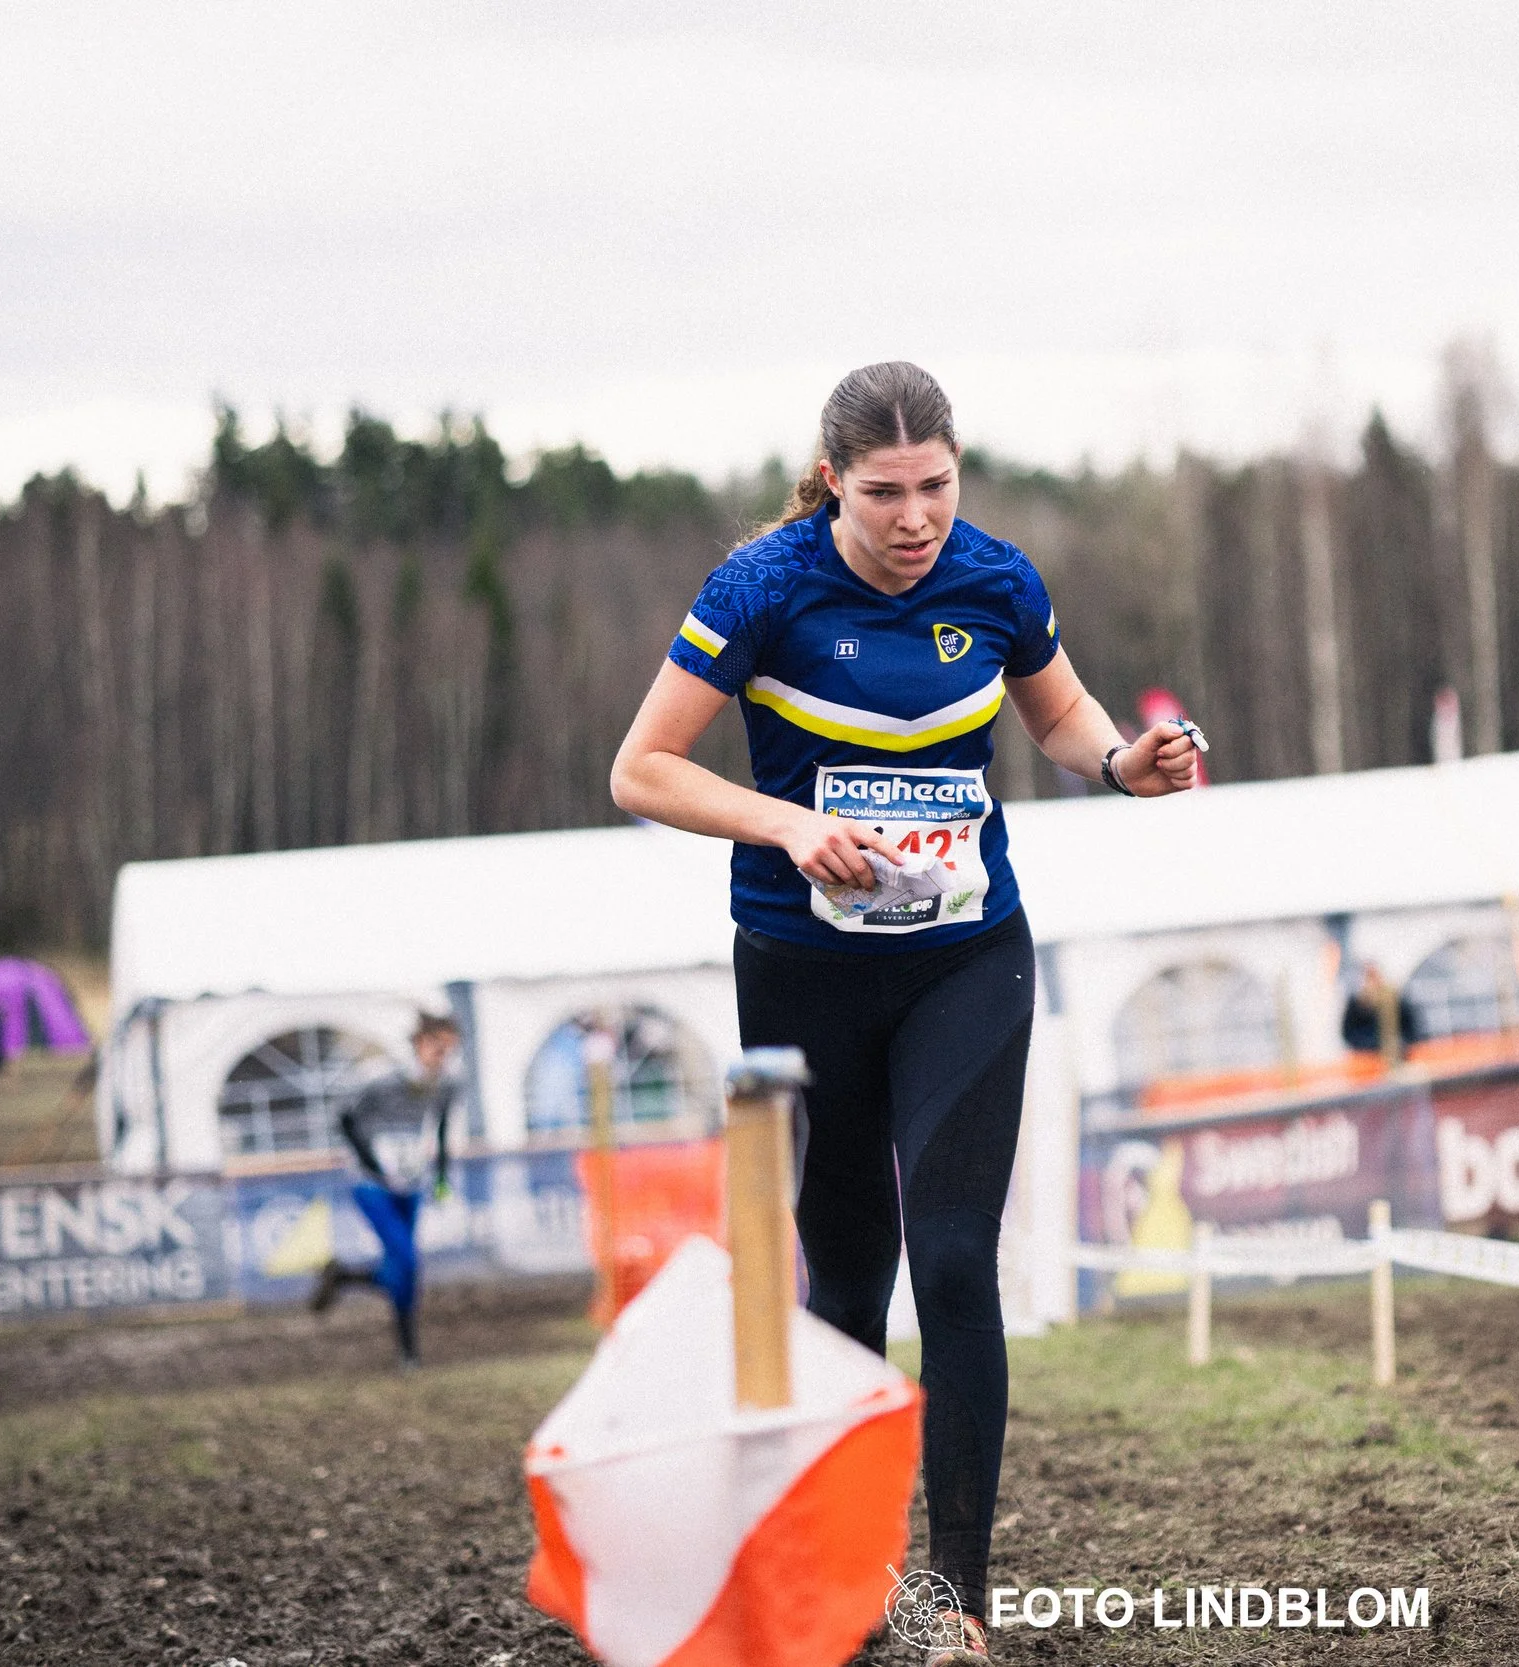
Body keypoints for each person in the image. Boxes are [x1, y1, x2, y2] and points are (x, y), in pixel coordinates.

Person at [608, 362, 1201, 1666]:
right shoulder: (761, 588)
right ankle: (852, 1582)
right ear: (833, 483)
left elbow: (1060, 717)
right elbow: (640, 766)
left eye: (936, 485)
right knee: (849, 1275)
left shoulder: (995, 578)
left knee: (951, 1254)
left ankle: (958, 1603)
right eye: (885, 493)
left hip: (963, 958)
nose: (916, 515)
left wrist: (1119, 764)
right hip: (803, 965)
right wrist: (789, 821)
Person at [311, 1012, 462, 1367]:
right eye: (438, 1048)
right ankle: (407, 1349)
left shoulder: (447, 1086)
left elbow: (439, 1130)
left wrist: (440, 1177)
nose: (443, 1056)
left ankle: (350, 1282)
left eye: (449, 1050)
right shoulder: (381, 1081)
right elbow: (345, 1120)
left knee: (403, 1267)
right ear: (419, 1044)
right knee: (408, 1259)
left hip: (410, 1184)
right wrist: (375, 1165)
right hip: (372, 1185)